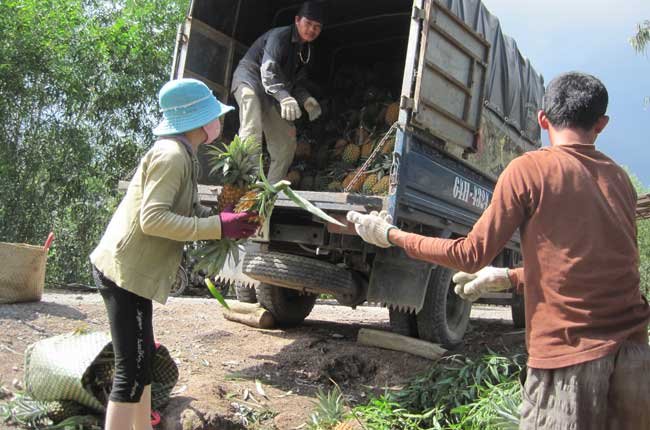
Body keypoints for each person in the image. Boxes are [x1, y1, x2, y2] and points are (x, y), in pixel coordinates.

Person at [347, 72, 650, 429]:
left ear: (542, 119)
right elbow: (589, 268)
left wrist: (392, 235)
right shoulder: (619, 181)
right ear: (601, 124)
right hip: (635, 364)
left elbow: (469, 254)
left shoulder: (530, 169)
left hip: (569, 365)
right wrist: (508, 277)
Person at [89, 78, 258, 430]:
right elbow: (153, 219)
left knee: (142, 362)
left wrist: (224, 220)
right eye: (214, 115)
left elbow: (182, 213)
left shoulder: (183, 153)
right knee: (131, 373)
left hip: (134, 272)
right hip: (124, 272)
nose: (218, 122)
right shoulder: (171, 155)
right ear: (198, 120)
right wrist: (218, 227)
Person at [230, 1, 325, 183]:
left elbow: (296, 82)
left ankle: (269, 193)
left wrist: (306, 99)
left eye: (317, 27)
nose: (311, 30)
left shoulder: (305, 51)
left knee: (286, 144)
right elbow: (268, 71)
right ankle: (245, 182)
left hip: (272, 94)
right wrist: (284, 97)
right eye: (308, 24)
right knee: (252, 121)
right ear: (297, 20)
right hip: (249, 80)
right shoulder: (280, 36)